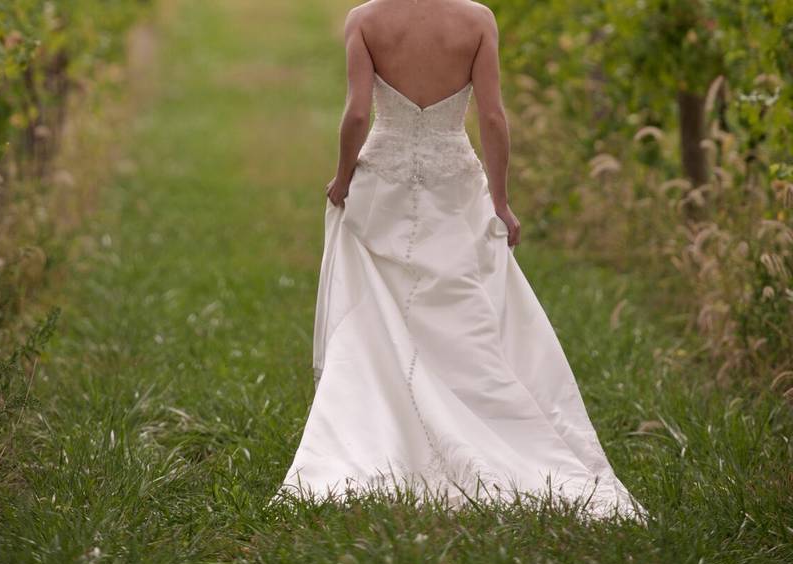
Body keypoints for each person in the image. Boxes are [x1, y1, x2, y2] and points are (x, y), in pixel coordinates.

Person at [271, 0, 646, 522]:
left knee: (379, 308)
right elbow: (491, 116)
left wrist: (342, 177)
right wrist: (499, 199)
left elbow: (358, 113)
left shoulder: (366, 19)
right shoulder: (477, 20)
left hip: (386, 177)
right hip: (453, 180)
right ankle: (488, 425)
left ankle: (381, 427)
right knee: (460, 305)